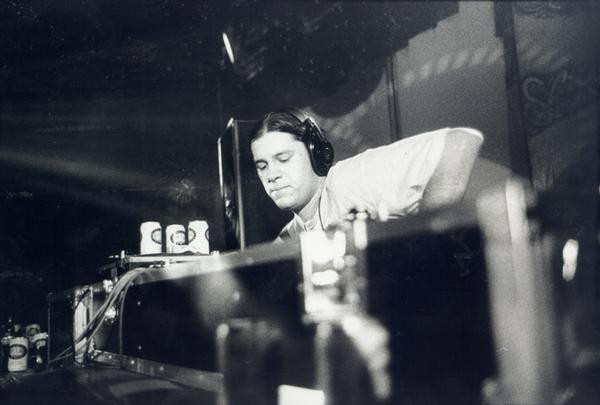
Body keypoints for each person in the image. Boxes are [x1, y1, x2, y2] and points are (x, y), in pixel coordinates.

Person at [250, 109, 483, 240]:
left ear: (316, 153)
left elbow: (460, 141)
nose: (272, 175)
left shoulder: (347, 179)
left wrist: (425, 245)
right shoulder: (291, 235)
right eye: (262, 166)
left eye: (283, 159)